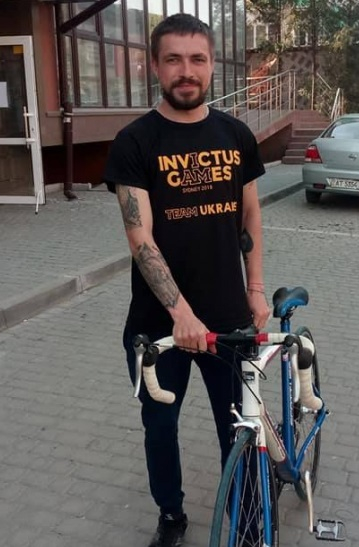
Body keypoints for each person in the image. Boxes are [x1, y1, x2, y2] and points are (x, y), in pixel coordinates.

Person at [102, 13, 271, 547]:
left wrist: (256, 289)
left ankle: (247, 519)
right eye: (173, 59)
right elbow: (140, 238)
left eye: (197, 59)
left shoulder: (235, 135)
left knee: (237, 428)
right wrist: (181, 314)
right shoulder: (135, 142)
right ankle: (171, 516)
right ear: (155, 66)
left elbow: (250, 217)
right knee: (160, 428)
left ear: (212, 65)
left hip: (228, 317)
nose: (186, 71)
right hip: (159, 323)